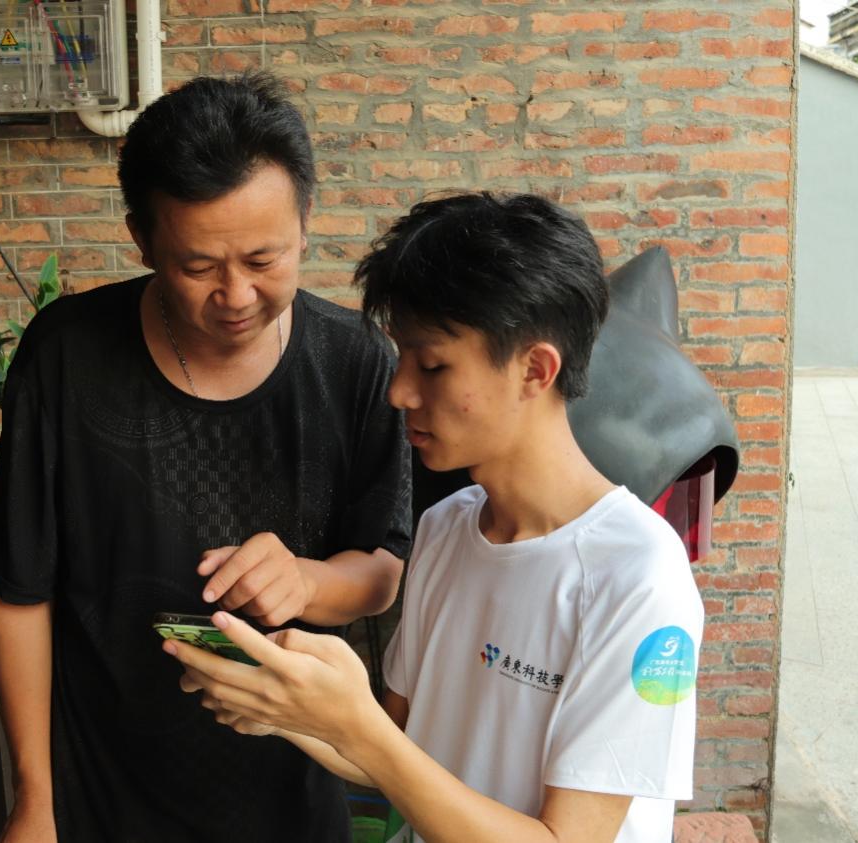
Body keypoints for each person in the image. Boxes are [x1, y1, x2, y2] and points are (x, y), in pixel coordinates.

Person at [169, 193, 705, 843]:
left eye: (431, 365)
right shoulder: (446, 527)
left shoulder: (639, 576)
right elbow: (399, 751)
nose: (399, 391)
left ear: (535, 369)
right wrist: (289, 709)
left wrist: (356, 725)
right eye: (401, 359)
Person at [0, 72, 412, 842]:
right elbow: (19, 587)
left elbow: (383, 569)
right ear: (143, 240)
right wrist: (33, 796)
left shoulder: (355, 362)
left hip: (291, 790)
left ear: (305, 223)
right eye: (198, 266)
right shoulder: (67, 355)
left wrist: (306, 579)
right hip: (100, 789)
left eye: (263, 259)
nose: (236, 294)